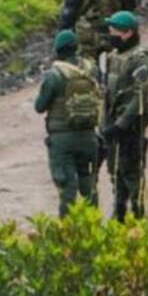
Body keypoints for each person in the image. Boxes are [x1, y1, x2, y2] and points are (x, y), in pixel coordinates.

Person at [34, 28, 102, 217]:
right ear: (76, 47)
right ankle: (93, 225)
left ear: (57, 50)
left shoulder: (54, 75)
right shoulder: (91, 70)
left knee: (67, 189)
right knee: (88, 185)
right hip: (89, 136)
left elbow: (39, 106)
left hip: (62, 140)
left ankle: (68, 229)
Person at [102, 11, 148, 221]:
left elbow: (141, 95)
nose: (110, 35)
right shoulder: (112, 57)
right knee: (115, 171)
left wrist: (121, 125)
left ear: (127, 33)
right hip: (113, 124)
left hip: (131, 126)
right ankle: (119, 214)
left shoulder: (140, 58)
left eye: (114, 31)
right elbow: (107, 94)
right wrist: (105, 126)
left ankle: (139, 215)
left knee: (131, 171)